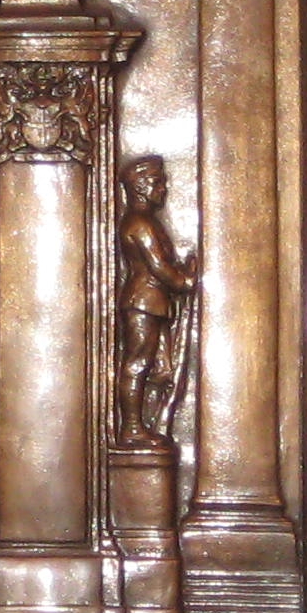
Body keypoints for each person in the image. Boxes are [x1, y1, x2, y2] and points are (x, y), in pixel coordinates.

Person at [116, 155, 194, 448]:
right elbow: (159, 266)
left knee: (157, 365)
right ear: (141, 187)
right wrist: (183, 281)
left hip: (154, 302)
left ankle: (142, 423)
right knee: (138, 363)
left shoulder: (147, 222)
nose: (163, 190)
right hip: (143, 301)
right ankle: (132, 427)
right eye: (158, 183)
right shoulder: (140, 224)